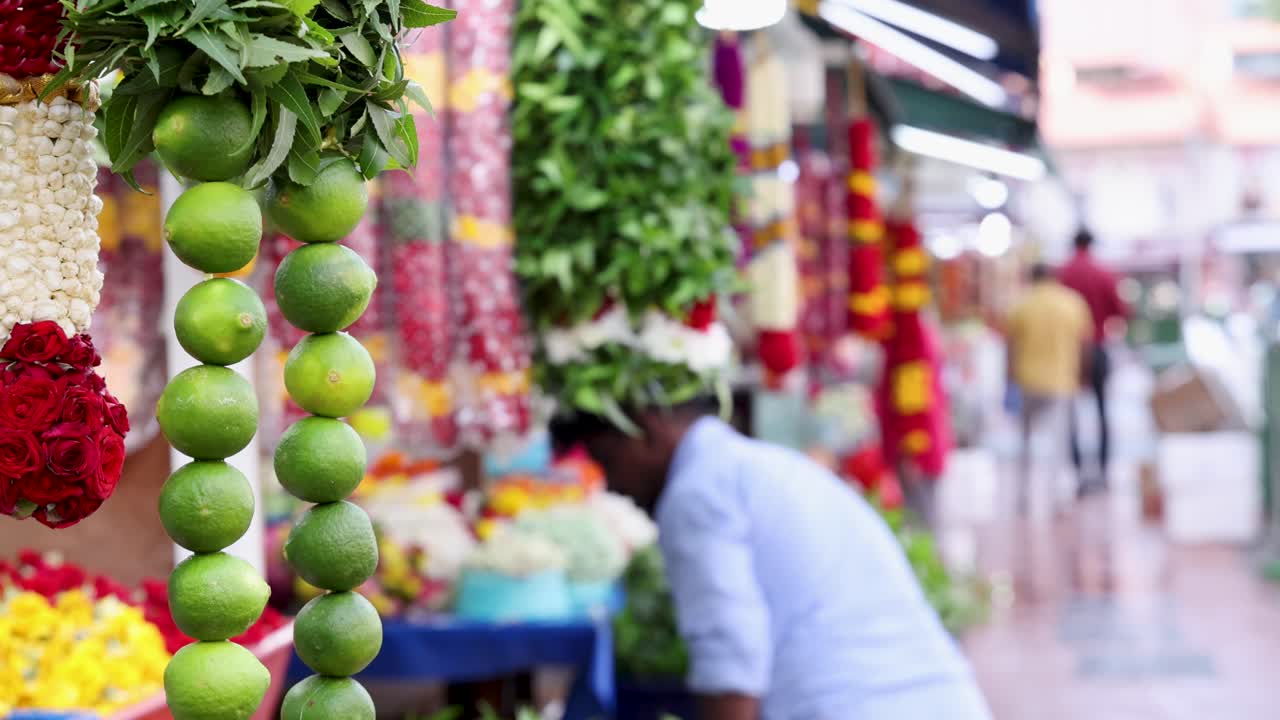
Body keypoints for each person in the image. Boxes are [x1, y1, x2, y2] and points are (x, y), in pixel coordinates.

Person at [551, 404, 992, 720]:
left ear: (643, 432)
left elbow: (731, 664)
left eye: (606, 461)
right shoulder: (759, 466)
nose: (610, 483)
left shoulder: (698, 493)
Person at [1006, 263, 1093, 512]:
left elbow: (1010, 347)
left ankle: (1022, 498)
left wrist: (1009, 379)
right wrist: (1083, 376)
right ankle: (1057, 498)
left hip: (1027, 380)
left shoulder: (1020, 305)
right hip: (1060, 381)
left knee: (1023, 442)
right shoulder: (1072, 303)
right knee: (1059, 444)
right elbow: (1084, 344)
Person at [1057, 229, 1128, 495]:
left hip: (1070, 351)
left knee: (1071, 414)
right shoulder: (1103, 273)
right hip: (1097, 347)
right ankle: (1103, 471)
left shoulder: (1063, 274)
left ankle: (1078, 473)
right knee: (1102, 411)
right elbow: (1120, 312)